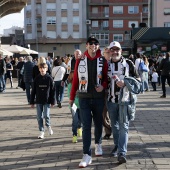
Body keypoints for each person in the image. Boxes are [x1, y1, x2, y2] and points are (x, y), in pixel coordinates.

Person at [69, 36, 108, 168]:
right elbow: (75, 79)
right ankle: (86, 154)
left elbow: (106, 79)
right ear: (86, 45)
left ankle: (98, 143)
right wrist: (71, 96)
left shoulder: (102, 60)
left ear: (98, 46)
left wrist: (103, 85)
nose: (93, 45)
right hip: (84, 97)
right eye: (91, 43)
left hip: (98, 98)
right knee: (86, 126)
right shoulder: (80, 60)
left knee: (98, 123)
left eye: (96, 44)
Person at [106, 41, 139, 164]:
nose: (115, 52)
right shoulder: (106, 64)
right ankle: (117, 145)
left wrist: (126, 82)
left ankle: (122, 153)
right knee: (114, 126)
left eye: (117, 49)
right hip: (111, 100)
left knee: (124, 126)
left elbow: (138, 79)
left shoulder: (128, 63)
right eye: (112, 50)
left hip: (124, 100)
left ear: (121, 51)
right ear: (109, 51)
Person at [30, 63, 55, 139]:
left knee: (46, 115)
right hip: (38, 100)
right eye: (40, 68)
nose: (42, 69)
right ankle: (41, 131)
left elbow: (53, 91)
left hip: (47, 100)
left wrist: (53, 101)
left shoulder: (49, 78)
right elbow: (33, 90)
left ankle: (48, 126)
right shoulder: (36, 79)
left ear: (46, 69)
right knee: (39, 117)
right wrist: (32, 102)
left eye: (43, 68)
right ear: (39, 69)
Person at [67, 71, 82, 143]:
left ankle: (79, 127)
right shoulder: (70, 85)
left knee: (81, 119)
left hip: (82, 104)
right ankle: (74, 134)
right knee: (75, 120)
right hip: (73, 105)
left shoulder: (82, 84)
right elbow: (69, 95)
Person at [102, 46, 112, 140]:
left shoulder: (115, 63)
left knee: (114, 114)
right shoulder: (100, 63)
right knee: (103, 114)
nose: (108, 53)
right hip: (104, 92)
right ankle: (108, 129)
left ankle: (115, 130)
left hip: (115, 92)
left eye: (109, 52)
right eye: (106, 52)